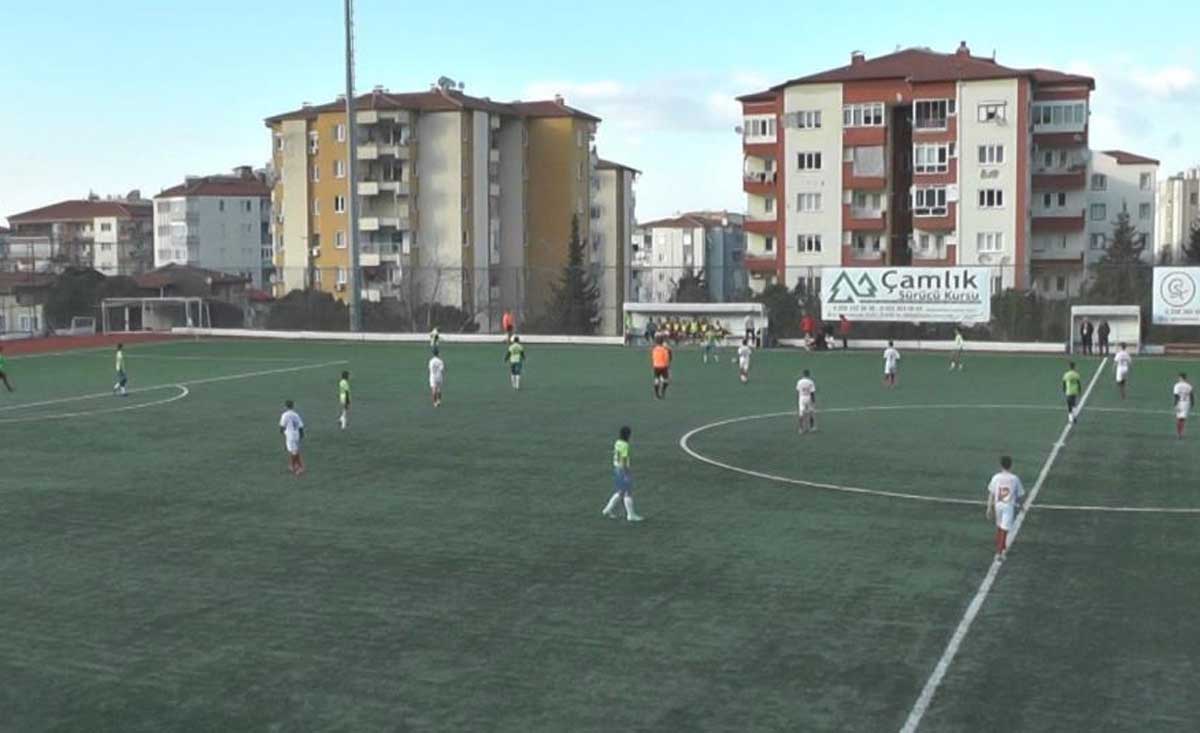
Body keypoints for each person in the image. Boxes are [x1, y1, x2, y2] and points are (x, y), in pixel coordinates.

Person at [986, 455, 1025, 561]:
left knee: (1000, 527)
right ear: (1011, 465)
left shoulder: (996, 477)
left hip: (998, 505)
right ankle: (999, 552)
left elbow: (991, 493)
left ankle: (1001, 547)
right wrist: (1021, 506)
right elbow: (1020, 494)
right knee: (1005, 528)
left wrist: (989, 507)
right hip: (1008, 506)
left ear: (1001, 465)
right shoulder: (1014, 478)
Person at [601, 425, 643, 522]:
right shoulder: (625, 445)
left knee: (620, 492)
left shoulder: (618, 442)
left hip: (616, 469)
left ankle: (607, 510)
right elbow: (623, 459)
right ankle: (631, 515)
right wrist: (626, 473)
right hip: (622, 470)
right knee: (628, 492)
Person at [279, 400, 305, 477]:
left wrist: (282, 431)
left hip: (290, 436)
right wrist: (301, 435)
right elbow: (301, 426)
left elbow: (282, 426)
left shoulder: (285, 415)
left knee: (293, 452)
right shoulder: (296, 415)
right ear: (293, 406)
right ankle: (293, 466)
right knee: (295, 451)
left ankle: (298, 467)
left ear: (286, 406)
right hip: (296, 434)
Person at [1174, 373, 1194, 440]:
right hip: (1186, 404)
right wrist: (1192, 404)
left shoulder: (1177, 385)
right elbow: (1191, 396)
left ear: (1181, 378)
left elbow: (1176, 396)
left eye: (1179, 378)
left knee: (1179, 419)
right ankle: (1181, 433)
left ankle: (1179, 433)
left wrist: (1175, 404)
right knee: (1183, 419)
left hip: (1180, 403)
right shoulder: (1189, 386)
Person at [796, 369, 817, 434]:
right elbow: (812, 392)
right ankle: (812, 427)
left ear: (803, 374)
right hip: (809, 397)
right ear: (808, 374)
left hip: (802, 397)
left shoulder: (799, 381)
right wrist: (814, 401)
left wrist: (799, 398)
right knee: (811, 412)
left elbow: (798, 390)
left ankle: (801, 429)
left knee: (801, 413)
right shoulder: (810, 382)